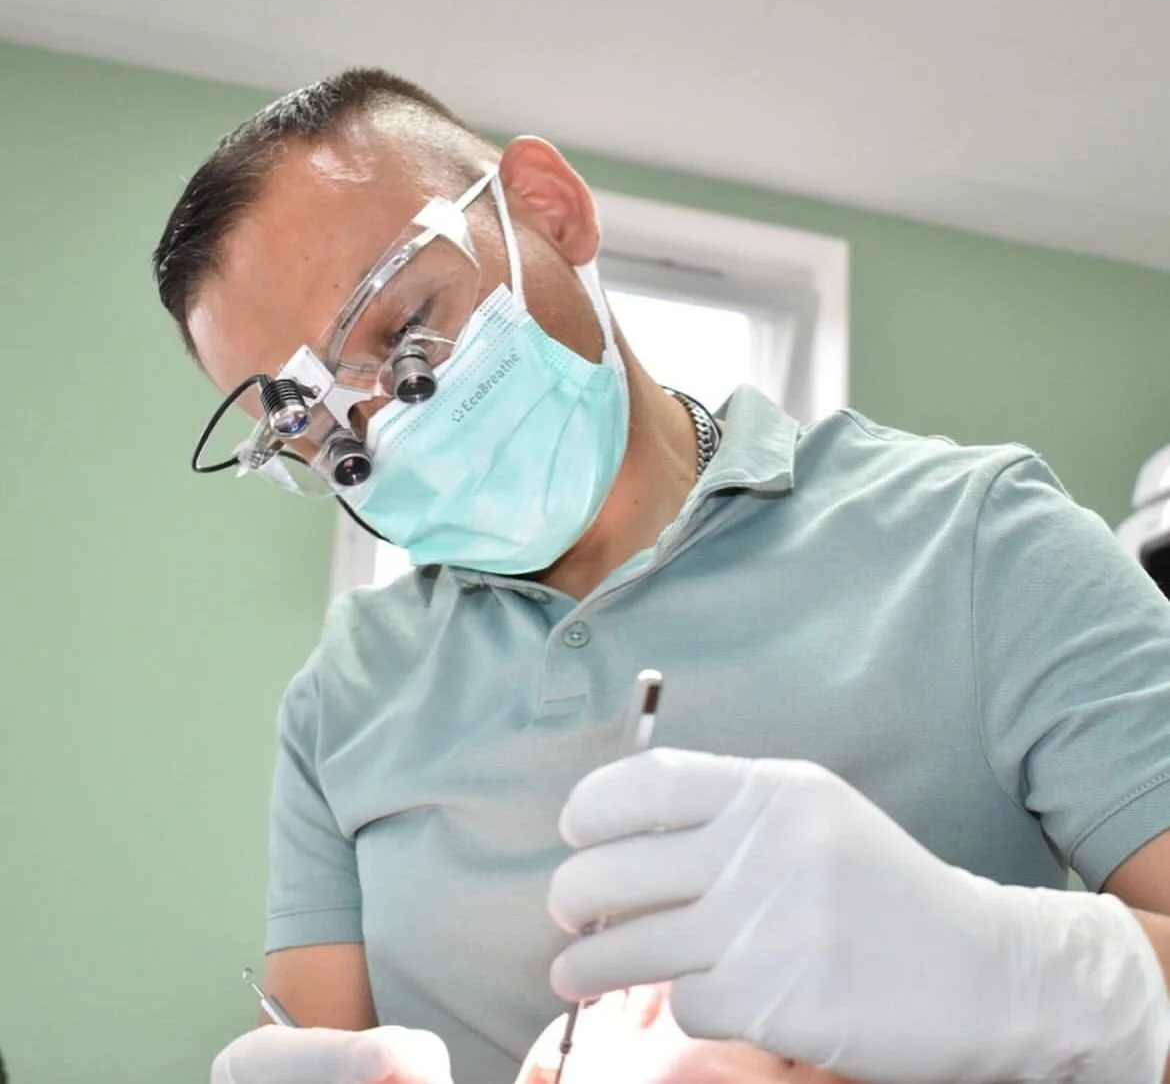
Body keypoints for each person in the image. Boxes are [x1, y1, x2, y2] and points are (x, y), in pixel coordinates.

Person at [154, 68, 1170, 1084]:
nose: (391, 426)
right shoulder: (346, 691)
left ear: (548, 208)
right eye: (323, 429)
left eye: (408, 332)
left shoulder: (977, 539)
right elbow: (329, 1040)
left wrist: (1003, 975)